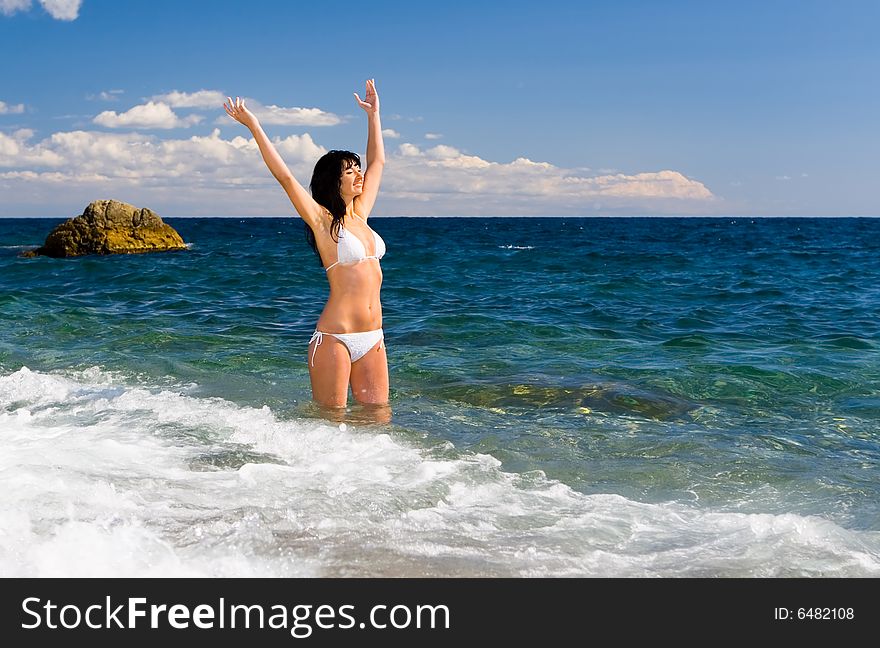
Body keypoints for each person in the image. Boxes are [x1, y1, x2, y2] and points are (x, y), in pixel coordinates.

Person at [224, 80, 388, 411]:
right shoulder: (322, 220)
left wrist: (374, 116)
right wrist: (254, 125)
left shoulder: (362, 215)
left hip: (374, 337)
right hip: (335, 338)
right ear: (333, 181)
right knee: (332, 422)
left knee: (377, 419)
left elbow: (379, 163)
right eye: (350, 171)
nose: (359, 175)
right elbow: (285, 177)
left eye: (358, 169)